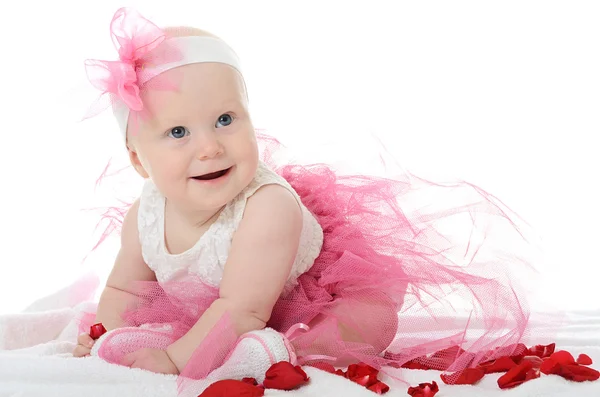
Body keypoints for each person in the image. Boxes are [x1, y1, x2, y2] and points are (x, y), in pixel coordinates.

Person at [73, 6, 538, 389]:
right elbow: (125, 288)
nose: (210, 146)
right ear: (138, 161)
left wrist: (174, 360)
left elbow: (243, 307)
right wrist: (106, 334)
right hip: (222, 310)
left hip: (304, 297)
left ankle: (280, 351)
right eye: (178, 132)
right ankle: (211, 347)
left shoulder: (267, 206)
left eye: (225, 119)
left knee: (368, 322)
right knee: (157, 322)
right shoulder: (147, 213)